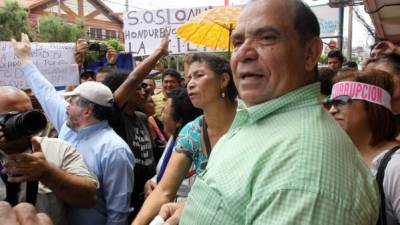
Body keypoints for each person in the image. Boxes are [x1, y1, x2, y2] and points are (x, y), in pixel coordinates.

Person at [156, 1, 379, 224]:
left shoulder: (303, 171)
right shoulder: (258, 120)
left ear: (310, 53)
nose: (243, 53)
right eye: (238, 42)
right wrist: (195, 211)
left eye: (267, 38)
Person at [11, 33, 135, 225]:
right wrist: (25, 58)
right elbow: (45, 92)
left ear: (87, 111)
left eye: (72, 101)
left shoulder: (114, 150)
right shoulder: (69, 125)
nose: (66, 104)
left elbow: (118, 210)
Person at [132, 52, 238, 225]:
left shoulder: (249, 121)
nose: (190, 84)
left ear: (224, 80)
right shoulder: (191, 132)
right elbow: (164, 191)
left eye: (199, 75)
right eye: (189, 78)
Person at [0, 86, 97, 225]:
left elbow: (89, 198)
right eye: (14, 116)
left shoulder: (59, 149)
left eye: (29, 113)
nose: (26, 120)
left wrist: (48, 173)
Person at [102, 33, 169, 219]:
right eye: (138, 88)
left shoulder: (142, 118)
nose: (144, 91)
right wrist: (159, 52)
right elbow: (131, 80)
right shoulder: (115, 119)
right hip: (126, 205)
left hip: (149, 197)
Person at [329, 69, 400, 225]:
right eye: (332, 102)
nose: (332, 110)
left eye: (342, 101)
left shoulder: (396, 167)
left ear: (373, 106)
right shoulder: (338, 156)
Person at [143, 88, 202, 201]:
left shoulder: (196, 147)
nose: (161, 114)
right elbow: (165, 173)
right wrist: (152, 182)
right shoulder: (174, 139)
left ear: (179, 121)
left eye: (165, 111)